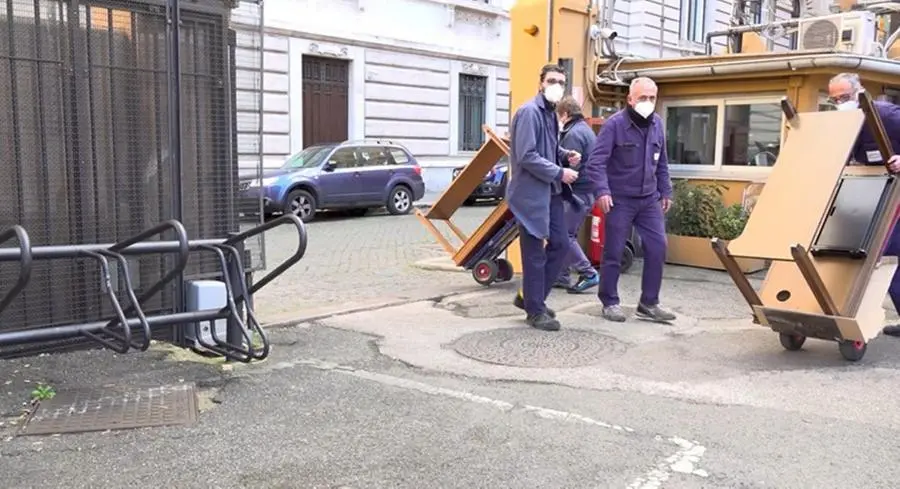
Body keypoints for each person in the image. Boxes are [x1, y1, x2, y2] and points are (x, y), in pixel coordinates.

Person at [586, 76, 676, 323]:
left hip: (648, 199)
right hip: (619, 199)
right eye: (643, 98)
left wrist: (666, 191)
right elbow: (596, 162)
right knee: (614, 251)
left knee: (658, 247)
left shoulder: (657, 124)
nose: (648, 102)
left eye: (652, 98)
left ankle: (649, 303)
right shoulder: (614, 125)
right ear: (630, 99)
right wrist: (602, 191)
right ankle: (609, 302)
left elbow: (662, 163)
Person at [507, 64, 581, 332]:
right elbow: (527, 155)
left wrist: (564, 154)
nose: (556, 86)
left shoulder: (549, 114)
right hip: (529, 196)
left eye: (561, 82)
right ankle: (535, 310)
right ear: (541, 83)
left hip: (548, 193)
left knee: (560, 244)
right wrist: (560, 172)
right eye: (552, 80)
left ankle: (530, 297)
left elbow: (545, 148)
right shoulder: (529, 112)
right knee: (534, 254)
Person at [827, 73, 900, 336]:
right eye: (834, 99)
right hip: (869, 192)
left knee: (890, 253)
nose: (839, 103)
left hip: (897, 194)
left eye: (844, 97)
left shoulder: (887, 115)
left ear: (859, 92)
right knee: (851, 249)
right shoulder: (843, 121)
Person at [551, 95, 601, 293]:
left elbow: (570, 167)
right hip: (588, 192)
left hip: (577, 192)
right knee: (566, 233)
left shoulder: (572, 135)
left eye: (558, 116)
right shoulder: (587, 130)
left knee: (563, 234)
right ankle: (561, 276)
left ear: (565, 114)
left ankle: (588, 273)